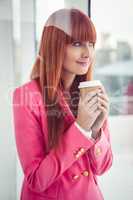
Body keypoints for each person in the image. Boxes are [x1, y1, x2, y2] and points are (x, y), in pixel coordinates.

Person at [12, 8, 113, 200]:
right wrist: (81, 128)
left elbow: (103, 166)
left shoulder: (89, 91)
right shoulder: (27, 96)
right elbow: (36, 179)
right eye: (77, 43)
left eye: (91, 44)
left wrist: (96, 130)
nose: (87, 53)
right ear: (54, 45)